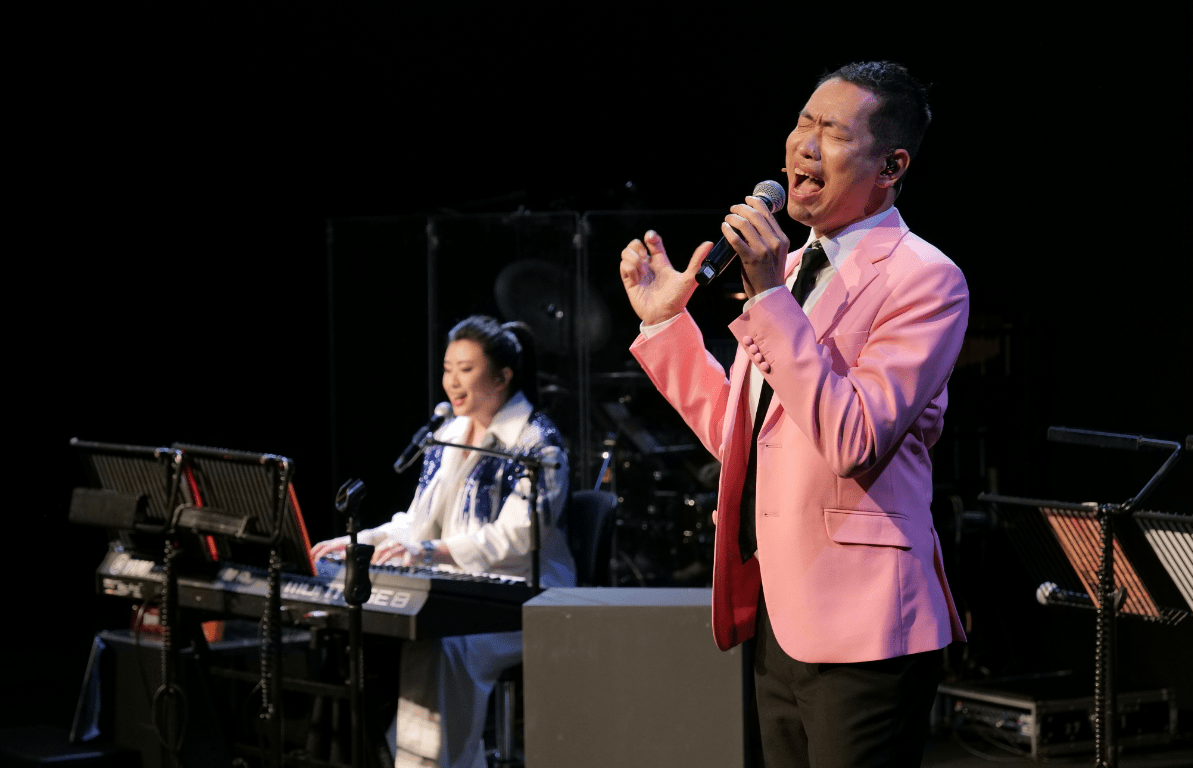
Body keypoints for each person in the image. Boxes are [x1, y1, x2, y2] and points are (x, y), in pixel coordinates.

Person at [619, 61, 968, 768]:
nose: (805, 145)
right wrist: (666, 327)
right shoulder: (788, 272)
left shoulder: (925, 279)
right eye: (803, 123)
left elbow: (853, 438)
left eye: (833, 132)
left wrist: (771, 299)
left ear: (890, 166)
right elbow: (744, 435)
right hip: (779, 611)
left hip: (867, 626)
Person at [311, 315, 576, 768]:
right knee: (375, 633)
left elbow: (518, 535)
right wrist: (361, 541)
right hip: (456, 591)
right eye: (448, 368)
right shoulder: (449, 434)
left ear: (502, 376)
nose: (453, 381)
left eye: (466, 369)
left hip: (525, 597)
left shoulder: (538, 443)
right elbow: (417, 524)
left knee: (447, 644)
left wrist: (431, 552)